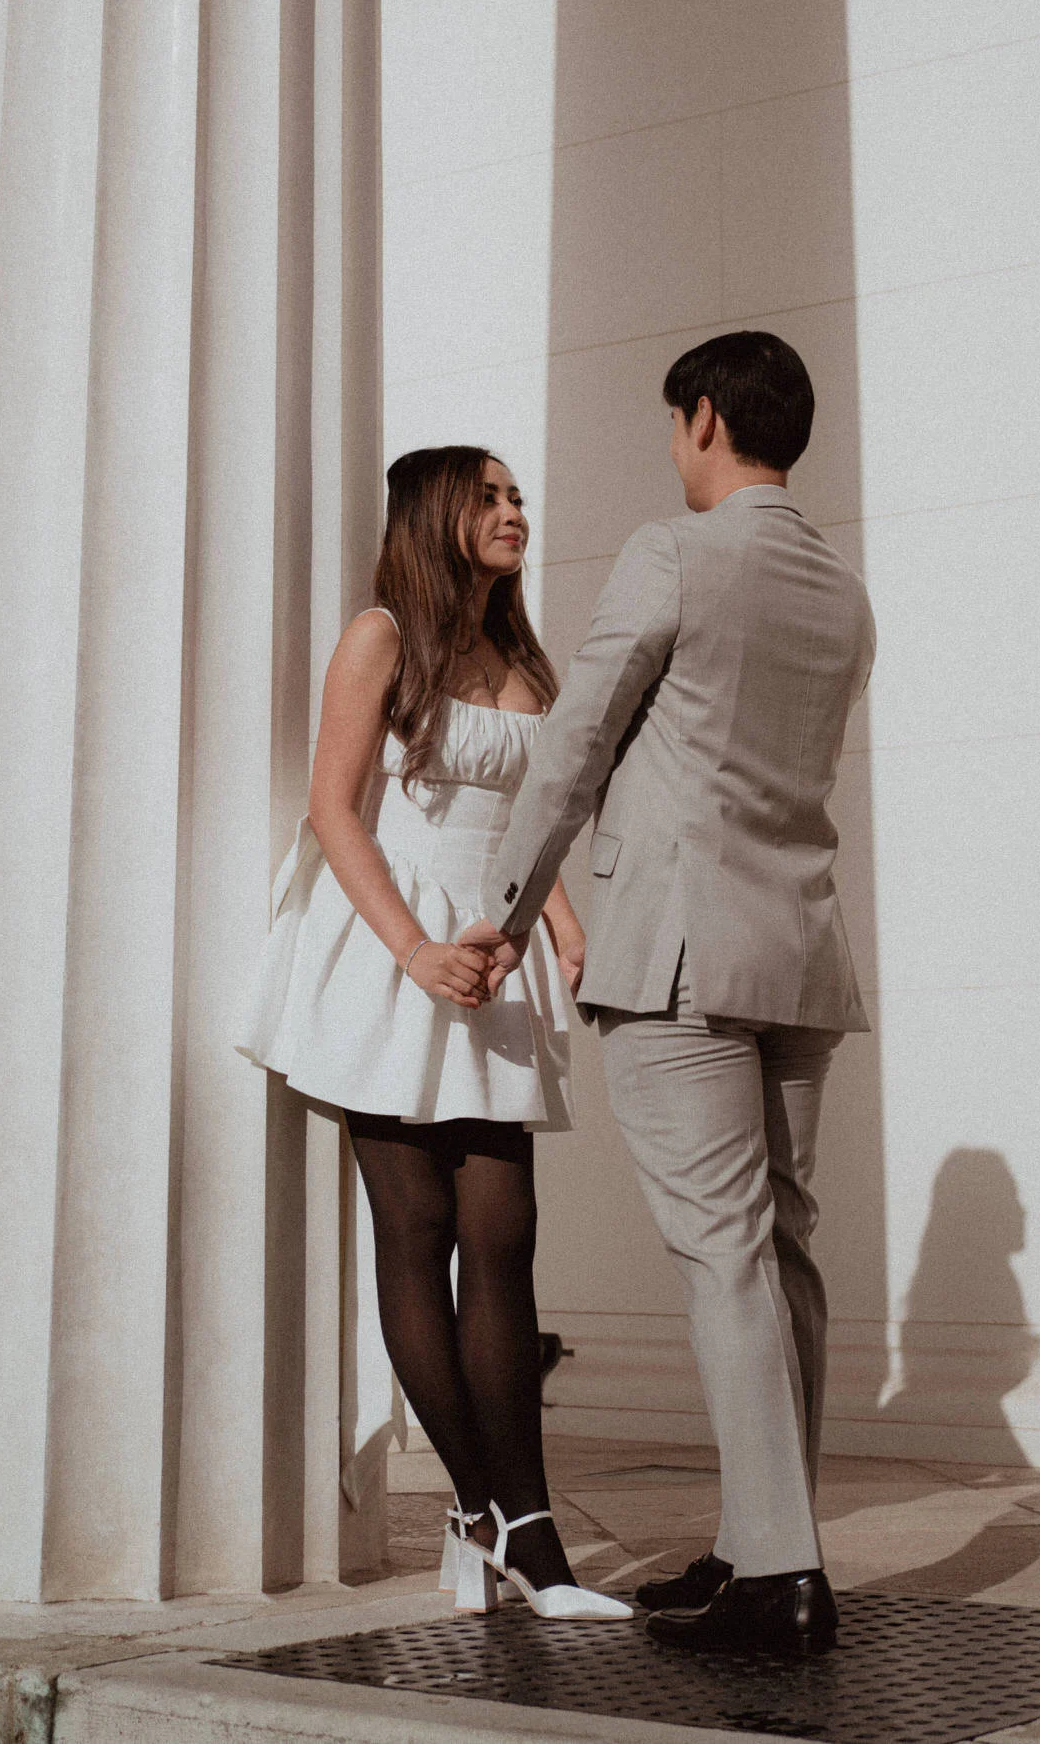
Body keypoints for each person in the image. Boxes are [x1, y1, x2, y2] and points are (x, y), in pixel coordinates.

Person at [483, 332, 875, 1659]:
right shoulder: (842, 589)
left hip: (682, 952)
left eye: (672, 424)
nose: (670, 447)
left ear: (703, 419)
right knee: (780, 1253)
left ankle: (778, 1573)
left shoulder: (674, 553)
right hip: (799, 954)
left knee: (723, 1256)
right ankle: (767, 1543)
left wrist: (501, 914)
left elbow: (576, 737)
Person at [237, 445, 630, 1623]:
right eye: (491, 497)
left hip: (491, 952)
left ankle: (499, 1524)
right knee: (414, 1232)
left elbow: (526, 814)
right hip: (388, 946)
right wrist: (413, 950)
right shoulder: (381, 637)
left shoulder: (522, 653)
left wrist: (557, 920)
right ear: (436, 515)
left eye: (519, 497)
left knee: (502, 1229)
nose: (515, 512)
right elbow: (332, 806)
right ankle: (517, 1528)